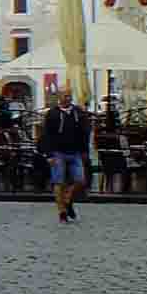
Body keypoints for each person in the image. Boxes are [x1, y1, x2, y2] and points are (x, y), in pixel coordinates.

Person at [40, 95, 91, 224]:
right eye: (64, 96)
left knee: (80, 180)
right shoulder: (52, 113)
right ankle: (62, 212)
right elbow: (46, 135)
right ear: (59, 97)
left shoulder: (78, 112)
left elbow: (85, 133)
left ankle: (67, 199)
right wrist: (48, 154)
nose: (67, 98)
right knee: (58, 182)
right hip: (57, 152)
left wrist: (85, 150)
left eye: (68, 96)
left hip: (75, 151)